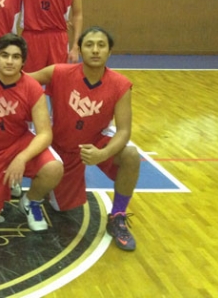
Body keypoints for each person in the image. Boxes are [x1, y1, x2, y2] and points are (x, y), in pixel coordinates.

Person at [26, 26, 140, 250]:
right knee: (61, 208)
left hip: (94, 143)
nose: (95, 50)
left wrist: (103, 154)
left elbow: (124, 131)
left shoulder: (121, 85)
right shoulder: (59, 73)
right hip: (62, 147)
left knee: (131, 155)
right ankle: (45, 187)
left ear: (109, 51)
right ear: (79, 49)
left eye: (101, 45)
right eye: (89, 45)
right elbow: (22, 79)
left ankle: (117, 216)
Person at [0, 34, 63, 231]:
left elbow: (45, 133)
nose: (10, 61)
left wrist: (21, 158)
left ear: (23, 62)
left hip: (16, 144)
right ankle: (5, 184)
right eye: (4, 55)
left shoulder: (32, 87)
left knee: (53, 168)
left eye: (16, 57)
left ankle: (30, 201)